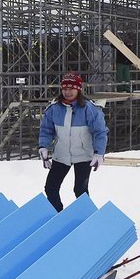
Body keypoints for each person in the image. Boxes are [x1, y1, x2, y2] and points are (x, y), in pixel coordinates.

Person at [38, 72, 109, 212]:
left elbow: (100, 132)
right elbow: (46, 130)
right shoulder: (54, 108)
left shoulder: (89, 108)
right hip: (61, 154)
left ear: (79, 89)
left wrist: (99, 153)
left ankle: (89, 217)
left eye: (71, 88)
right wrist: (43, 147)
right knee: (50, 188)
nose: (67, 92)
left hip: (83, 155)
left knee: (80, 190)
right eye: (65, 88)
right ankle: (58, 215)